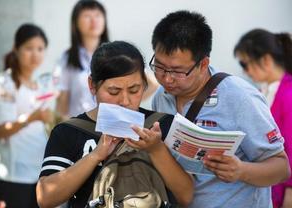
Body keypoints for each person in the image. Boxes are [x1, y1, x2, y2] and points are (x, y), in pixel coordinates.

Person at [150, 11, 290, 208]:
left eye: (178, 71)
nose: (166, 79)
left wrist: (241, 170)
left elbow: (282, 168)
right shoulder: (162, 97)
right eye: (159, 67)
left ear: (203, 63)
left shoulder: (239, 97)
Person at [36, 41, 194, 208]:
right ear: (92, 85)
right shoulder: (68, 131)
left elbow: (186, 196)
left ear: (145, 85)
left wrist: (156, 149)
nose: (124, 101)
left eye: (134, 90)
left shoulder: (162, 126)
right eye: (113, 91)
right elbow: (45, 198)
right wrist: (96, 155)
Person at [0, 24, 52, 208]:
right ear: (16, 49)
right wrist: (31, 118)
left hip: (38, 171)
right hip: (14, 175)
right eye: (29, 48)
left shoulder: (39, 85)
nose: (35, 54)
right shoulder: (6, 81)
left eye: (40, 49)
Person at [234, 29, 292, 208]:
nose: (245, 72)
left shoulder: (288, 95)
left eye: (245, 64)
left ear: (266, 60)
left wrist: (290, 194)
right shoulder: (263, 93)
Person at [55, 0, 109, 119]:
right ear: (76, 23)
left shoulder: (115, 54)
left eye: (98, 15)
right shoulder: (67, 58)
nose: (94, 21)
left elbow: (150, 84)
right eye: (87, 16)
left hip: (109, 129)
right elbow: (62, 104)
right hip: (78, 128)